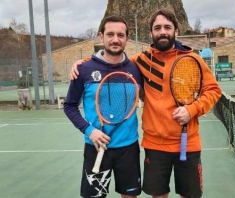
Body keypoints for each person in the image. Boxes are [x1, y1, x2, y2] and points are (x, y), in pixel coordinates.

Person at [70, 8, 222, 198]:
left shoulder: (193, 60)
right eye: (157, 28)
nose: (162, 31)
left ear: (176, 30)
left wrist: (192, 110)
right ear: (151, 33)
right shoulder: (140, 61)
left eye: (167, 27)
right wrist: (83, 62)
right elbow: (112, 60)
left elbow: (214, 90)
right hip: (155, 146)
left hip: (187, 143)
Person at [64, 15, 143, 198]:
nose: (115, 39)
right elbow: (69, 106)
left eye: (120, 35)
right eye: (110, 34)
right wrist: (89, 130)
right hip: (95, 146)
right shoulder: (84, 69)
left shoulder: (136, 69)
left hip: (128, 147)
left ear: (127, 39)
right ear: (101, 36)